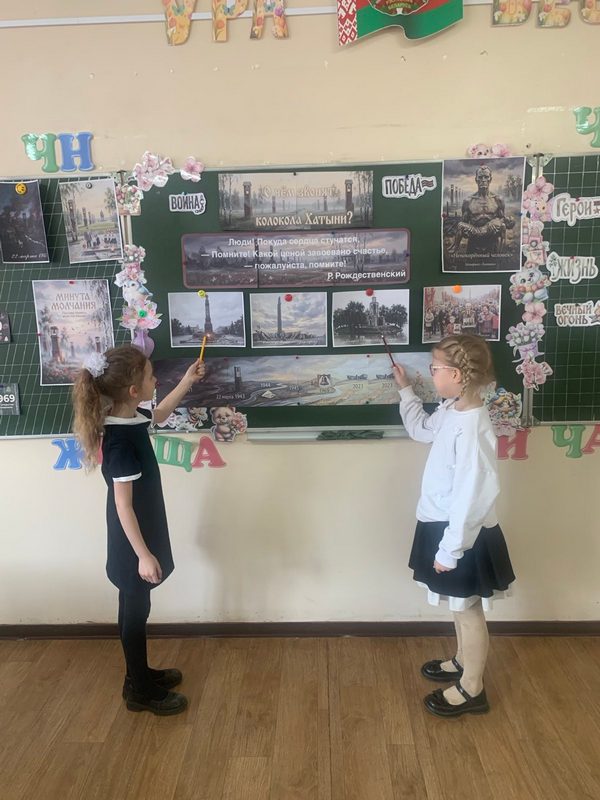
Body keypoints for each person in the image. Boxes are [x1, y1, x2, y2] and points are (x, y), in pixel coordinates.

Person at [72, 345, 206, 715]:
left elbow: (159, 413)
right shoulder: (119, 444)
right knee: (135, 610)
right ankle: (140, 691)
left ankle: (138, 675)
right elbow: (123, 506)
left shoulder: (129, 418)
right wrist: (144, 555)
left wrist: (187, 381)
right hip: (132, 540)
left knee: (134, 606)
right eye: (150, 376)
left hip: (140, 529)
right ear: (134, 391)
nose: (155, 380)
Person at [393, 334, 514, 718]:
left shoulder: (473, 426)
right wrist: (406, 390)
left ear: (457, 375)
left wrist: (451, 549)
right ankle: (463, 661)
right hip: (443, 526)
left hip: (462, 535)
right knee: (459, 606)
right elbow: (422, 430)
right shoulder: (451, 410)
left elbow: (473, 496)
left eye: (435, 368)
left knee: (468, 610)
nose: (431, 373)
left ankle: (472, 688)